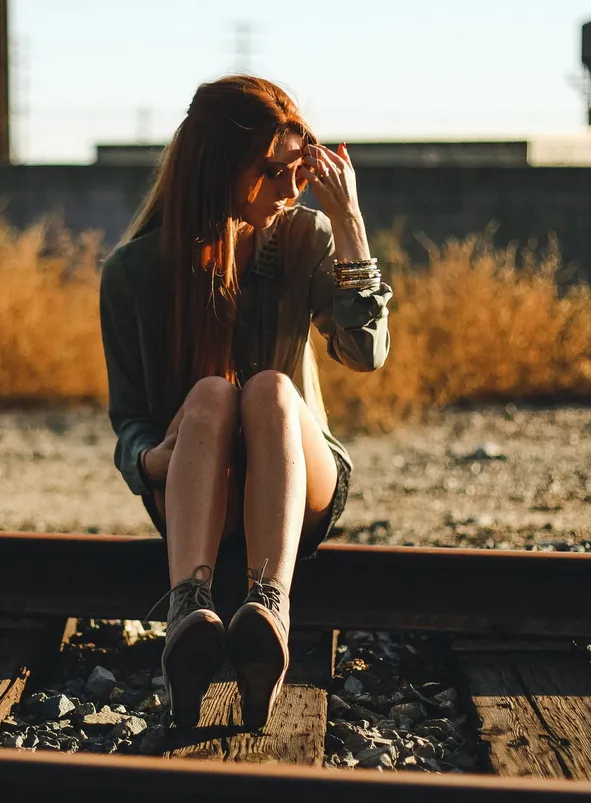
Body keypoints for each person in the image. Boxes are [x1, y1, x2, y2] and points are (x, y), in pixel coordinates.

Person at [98, 75, 392, 730]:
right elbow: (131, 421)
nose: (291, 188)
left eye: (297, 168)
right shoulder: (133, 274)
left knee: (270, 391)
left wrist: (350, 225)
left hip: (297, 484)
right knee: (209, 395)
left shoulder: (306, 237)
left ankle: (268, 609)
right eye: (271, 171)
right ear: (219, 169)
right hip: (194, 493)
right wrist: (151, 461)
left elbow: (364, 353)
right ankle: (190, 612)